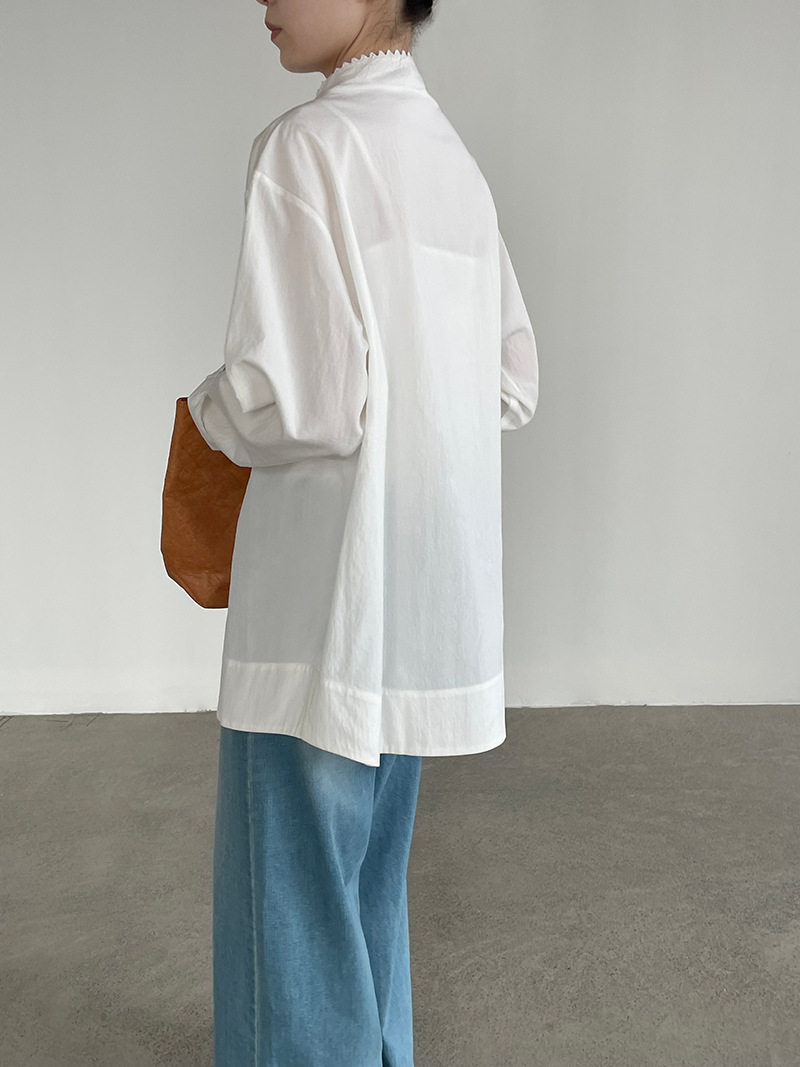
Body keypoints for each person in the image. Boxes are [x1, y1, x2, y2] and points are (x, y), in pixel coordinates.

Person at [186, 0, 539, 1062]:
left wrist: (206, 413)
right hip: (419, 600)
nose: (263, 2)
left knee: (291, 891)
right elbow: (511, 383)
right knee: (365, 879)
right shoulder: (453, 165)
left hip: (320, 596)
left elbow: (294, 398)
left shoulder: (307, 148)